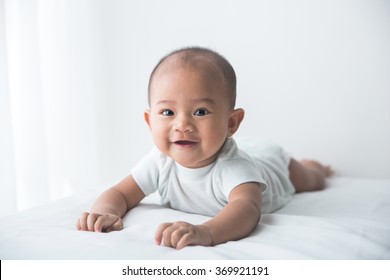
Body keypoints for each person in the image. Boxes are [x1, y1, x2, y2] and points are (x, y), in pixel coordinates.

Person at [76, 47, 332, 250]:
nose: (182, 125)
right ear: (149, 120)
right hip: (251, 150)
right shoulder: (159, 161)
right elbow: (120, 193)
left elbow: (247, 210)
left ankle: (316, 166)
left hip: (273, 165)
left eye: (200, 112)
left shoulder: (233, 168)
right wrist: (104, 213)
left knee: (312, 179)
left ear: (231, 123)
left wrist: (207, 231)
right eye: (167, 112)